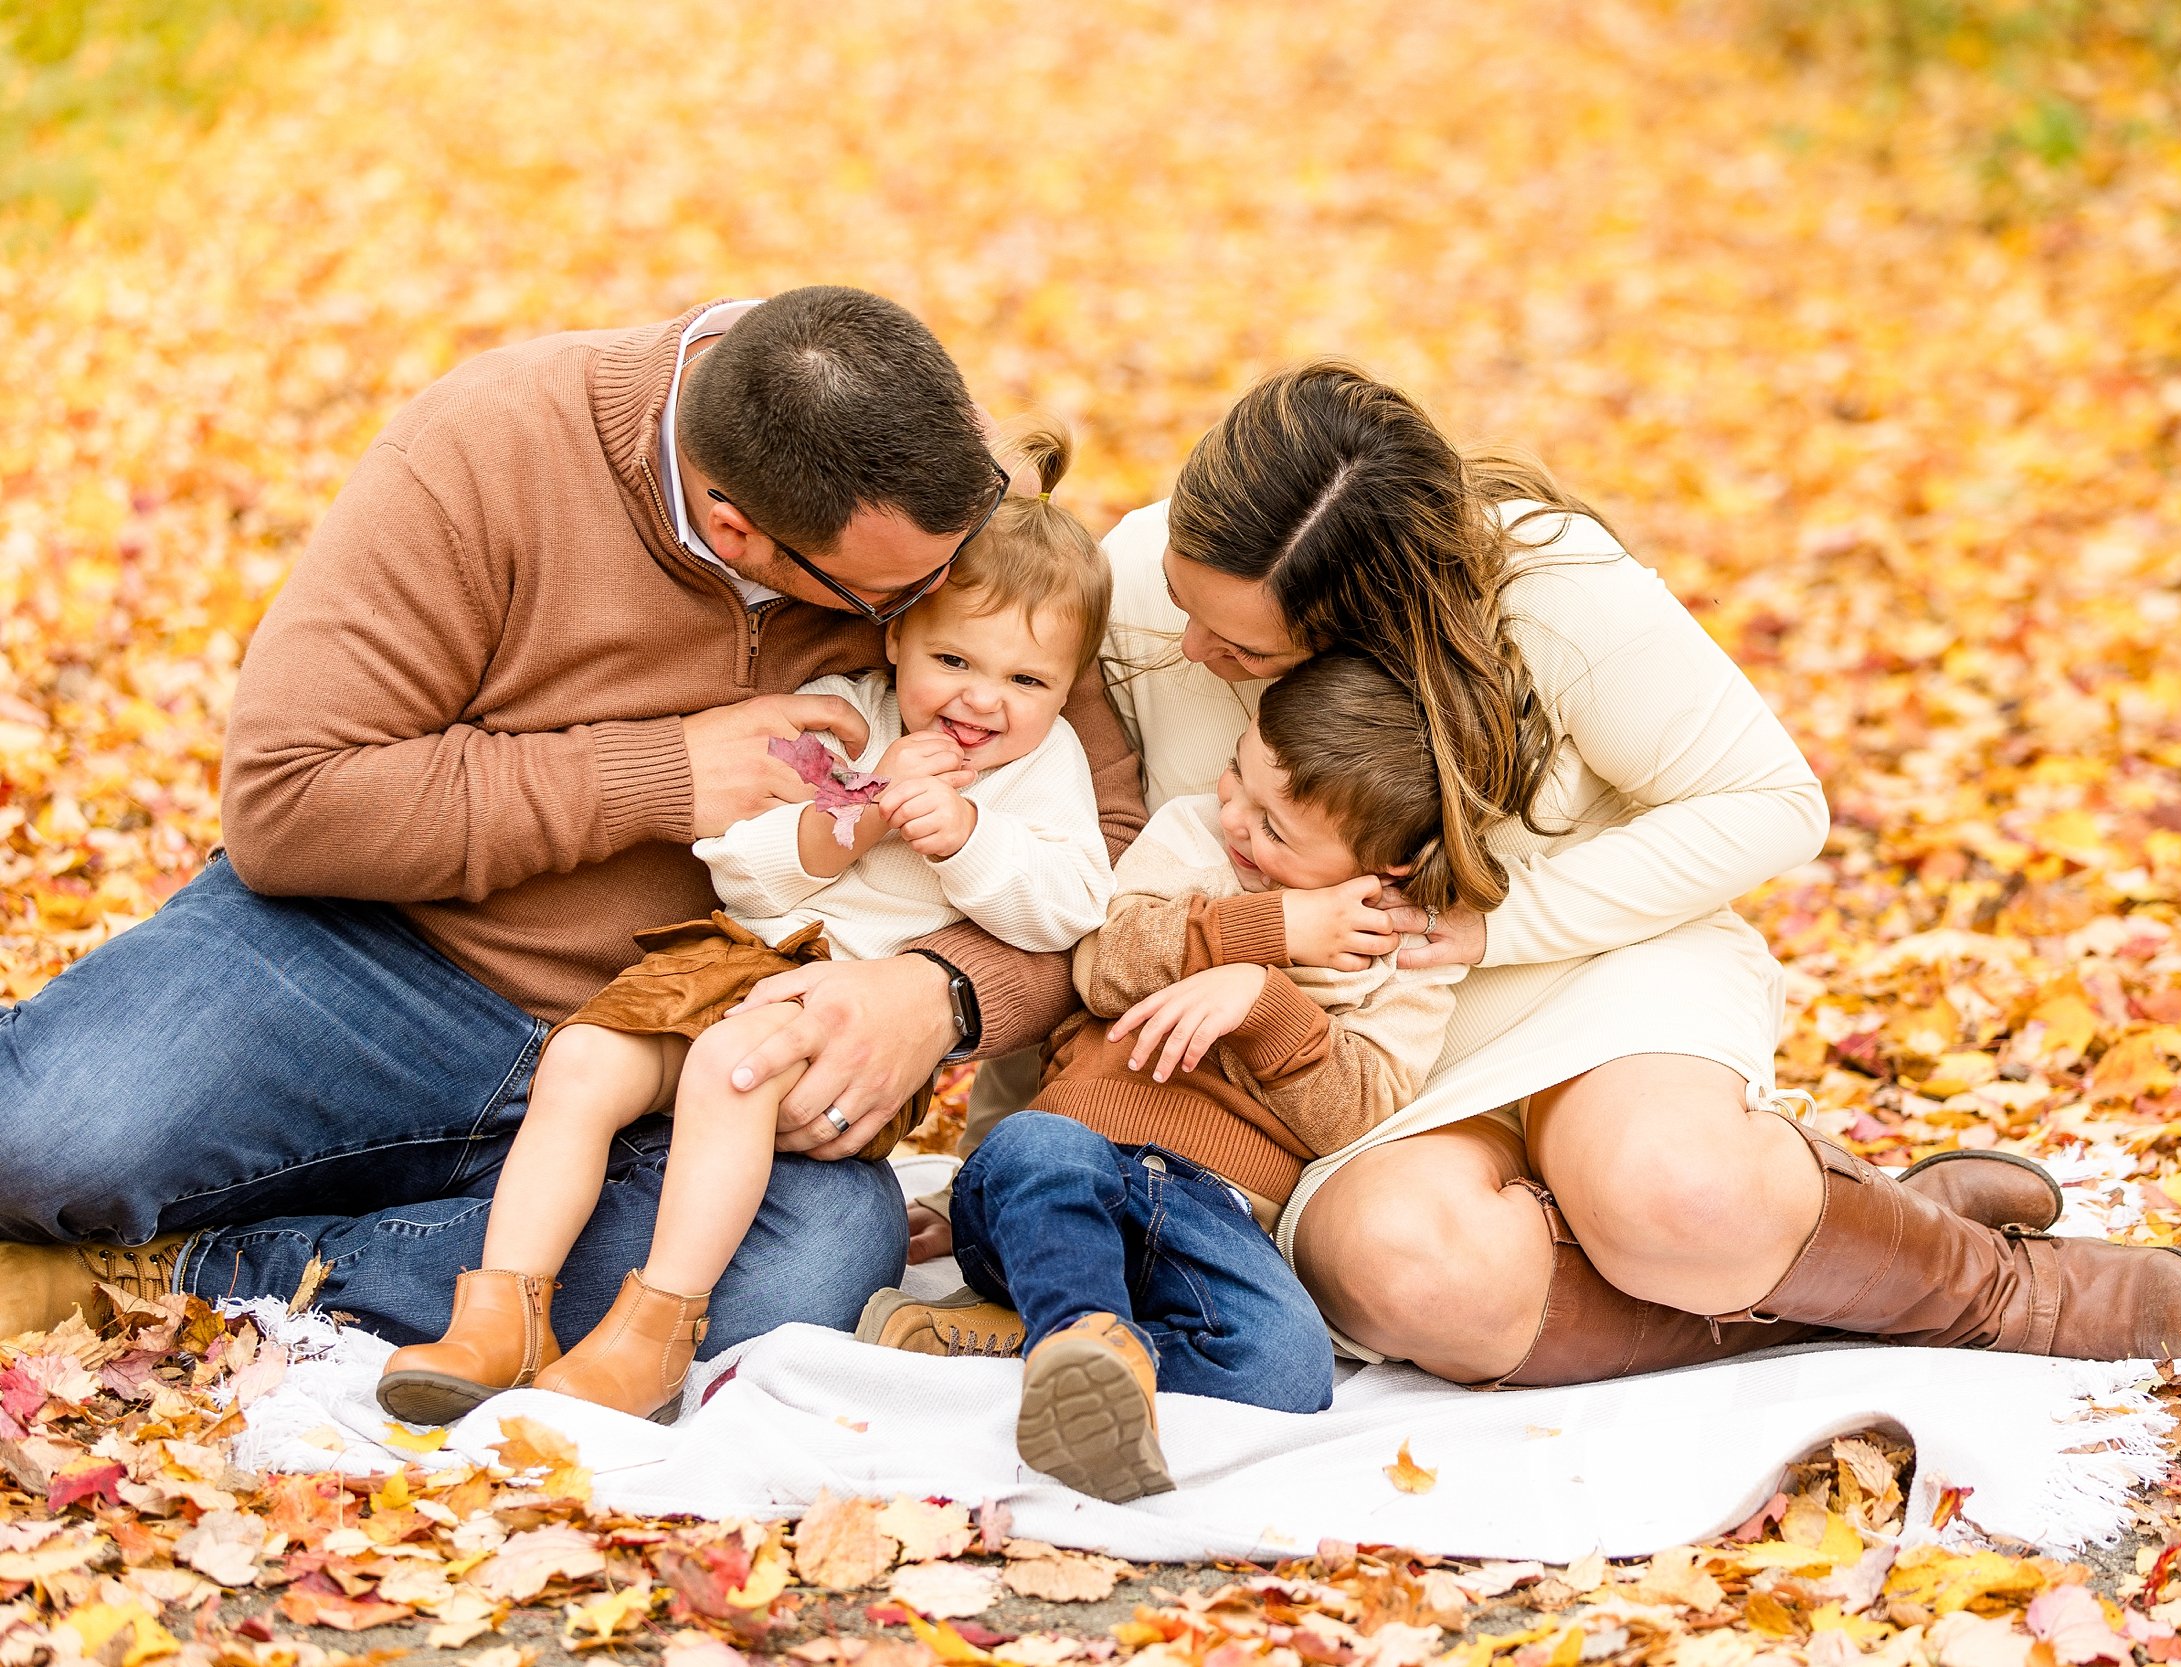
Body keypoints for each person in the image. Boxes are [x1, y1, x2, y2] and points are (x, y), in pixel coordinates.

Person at [907, 360, 2181, 1387]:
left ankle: (1992, 1289)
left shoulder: (1551, 589)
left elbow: (1771, 802)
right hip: (1355, 1068)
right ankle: (1827, 1298)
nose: (1190, 644)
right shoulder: (1139, 589)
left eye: (1239, 643)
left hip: (1585, 969)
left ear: (1371, 623)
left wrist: (1496, 927)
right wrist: (1015, 1165)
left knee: (1670, 1193)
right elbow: (1105, 890)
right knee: (1407, 1270)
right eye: (1185, 598)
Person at [0, 289, 1147, 1358]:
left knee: (805, 1265)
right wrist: (659, 773)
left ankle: (184, 1267)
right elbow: (289, 796)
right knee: (47, 1133)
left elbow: (1109, 843)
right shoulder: (488, 449)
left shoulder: (937, 507)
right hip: (373, 959)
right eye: (891, 605)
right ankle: (370, 1197)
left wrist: (943, 992)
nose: (927, 612)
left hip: (696, 1045)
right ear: (738, 529)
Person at [376, 422, 1116, 1425]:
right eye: (952, 657)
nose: (983, 700)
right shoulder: (842, 716)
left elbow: (1071, 905)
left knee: (735, 1067)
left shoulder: (1043, 768)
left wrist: (969, 839)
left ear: (1066, 687)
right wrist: (844, 819)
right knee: (584, 1058)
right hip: (734, 957)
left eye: (1026, 681)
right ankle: (501, 1314)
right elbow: (740, 863)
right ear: (896, 636)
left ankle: (654, 1334)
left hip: (841, 1010)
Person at [897, 652, 1464, 1502]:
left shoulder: (1406, 953)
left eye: (1276, 830)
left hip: (1215, 1210)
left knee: (1287, 1369)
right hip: (1075, 1154)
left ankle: (1051, 1346)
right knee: (1035, 1149)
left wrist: (1264, 999)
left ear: (1389, 866)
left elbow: (1360, 1111)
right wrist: (1267, 926)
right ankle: (1083, 1334)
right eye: (1238, 769)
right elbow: (1099, 965)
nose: (1234, 814)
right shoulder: (1190, 836)